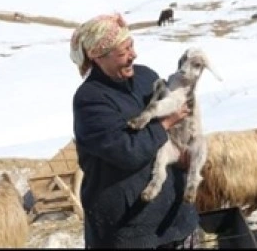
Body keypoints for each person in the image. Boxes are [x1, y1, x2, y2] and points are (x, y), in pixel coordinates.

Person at [71, 13, 199, 249]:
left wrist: (186, 152)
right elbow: (126, 151)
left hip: (175, 219)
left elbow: (180, 110)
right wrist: (165, 123)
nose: (133, 55)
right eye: (123, 52)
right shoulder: (90, 100)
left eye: (131, 46)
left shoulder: (145, 77)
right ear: (98, 58)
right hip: (129, 227)